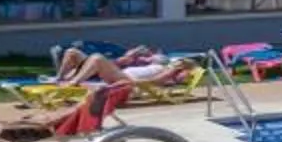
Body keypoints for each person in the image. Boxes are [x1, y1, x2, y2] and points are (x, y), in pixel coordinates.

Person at [59, 45, 197, 92]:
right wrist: (131, 57)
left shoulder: (168, 71)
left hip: (126, 80)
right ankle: (59, 78)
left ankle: (73, 82)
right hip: (119, 73)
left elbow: (154, 81)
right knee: (72, 52)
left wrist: (132, 83)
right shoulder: (157, 65)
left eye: (180, 63)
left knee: (97, 58)